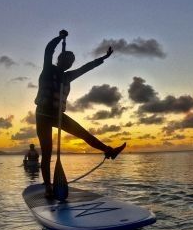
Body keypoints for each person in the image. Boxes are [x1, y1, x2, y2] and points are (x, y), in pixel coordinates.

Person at [35, 30, 126, 198]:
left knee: (83, 133)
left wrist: (103, 59)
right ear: (60, 59)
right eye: (67, 60)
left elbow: (86, 68)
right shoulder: (48, 69)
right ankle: (48, 187)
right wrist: (59, 38)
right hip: (42, 115)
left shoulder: (67, 76)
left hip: (57, 116)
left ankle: (109, 151)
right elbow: (48, 50)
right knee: (47, 151)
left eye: (71, 62)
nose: (69, 64)